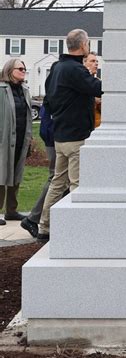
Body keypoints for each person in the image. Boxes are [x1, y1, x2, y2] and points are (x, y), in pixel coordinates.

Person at [37, 29, 101, 243]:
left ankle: (44, 226)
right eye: (88, 44)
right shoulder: (75, 70)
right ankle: (77, 231)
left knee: (57, 183)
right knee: (77, 184)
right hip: (76, 138)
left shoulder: (56, 68)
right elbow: (97, 88)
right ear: (83, 45)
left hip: (60, 136)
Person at [0, 58, 32, 224]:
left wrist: (29, 138)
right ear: (9, 70)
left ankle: (11, 210)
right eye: (20, 68)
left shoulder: (24, 90)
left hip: (20, 138)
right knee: (1, 174)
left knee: (15, 173)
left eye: (24, 69)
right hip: (3, 140)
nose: (23, 71)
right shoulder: (1, 89)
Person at [20, 98, 57, 239]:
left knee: (58, 178)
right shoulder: (60, 82)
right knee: (56, 178)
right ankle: (33, 218)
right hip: (56, 138)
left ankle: (37, 218)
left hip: (54, 137)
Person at [83, 51, 102, 128]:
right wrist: (94, 100)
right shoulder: (79, 82)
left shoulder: (99, 82)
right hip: (83, 128)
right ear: (84, 64)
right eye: (92, 61)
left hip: (98, 127)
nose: (96, 64)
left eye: (97, 61)